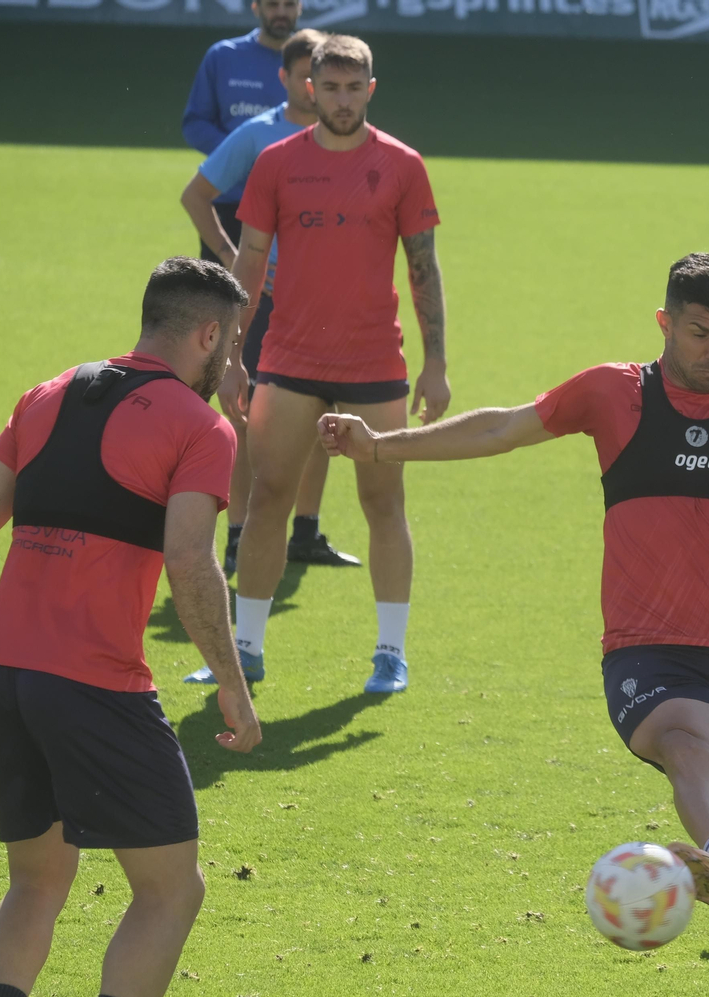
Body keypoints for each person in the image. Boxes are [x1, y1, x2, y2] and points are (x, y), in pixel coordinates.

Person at [316, 253, 709, 951]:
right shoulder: (612, 393)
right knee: (691, 747)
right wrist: (381, 446)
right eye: (697, 334)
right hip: (647, 648)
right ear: (664, 323)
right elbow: (500, 428)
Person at [0, 258, 262, 997]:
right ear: (208, 333)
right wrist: (231, 682)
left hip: (5, 679)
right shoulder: (198, 423)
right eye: (234, 338)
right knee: (169, 890)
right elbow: (191, 561)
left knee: (37, 881)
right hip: (94, 683)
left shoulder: (45, 394)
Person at [184, 34, 450, 695]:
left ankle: (391, 654)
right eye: (328, 87)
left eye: (352, 88)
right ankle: (245, 648)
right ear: (309, 89)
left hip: (374, 361)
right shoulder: (276, 161)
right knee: (269, 495)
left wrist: (436, 362)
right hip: (290, 358)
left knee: (382, 500)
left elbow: (423, 267)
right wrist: (234, 356)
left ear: (370, 90)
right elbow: (248, 260)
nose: (340, 99)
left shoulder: (403, 165)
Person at [181, 27, 357, 574]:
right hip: (264, 302)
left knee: (325, 411)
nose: (317, 89)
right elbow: (197, 195)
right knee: (246, 415)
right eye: (309, 78)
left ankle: (305, 530)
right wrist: (237, 262)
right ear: (286, 79)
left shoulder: (349, 144)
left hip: (322, 303)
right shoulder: (261, 137)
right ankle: (237, 534)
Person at [182, 0, 301, 263]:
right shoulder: (224, 56)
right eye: (273, 5)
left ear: (300, 7)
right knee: (223, 300)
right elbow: (195, 124)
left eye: (289, 4)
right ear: (255, 6)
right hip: (230, 202)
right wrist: (241, 155)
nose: (281, 12)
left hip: (295, 206)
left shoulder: (312, 63)